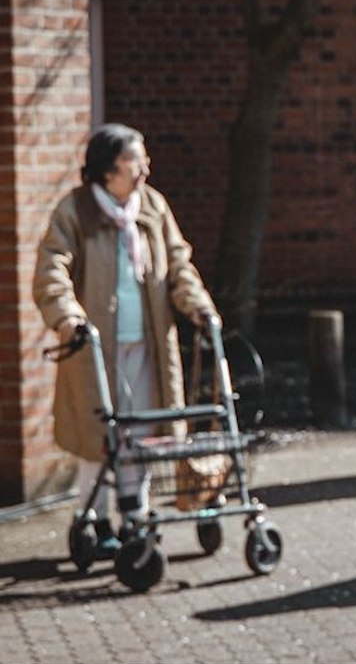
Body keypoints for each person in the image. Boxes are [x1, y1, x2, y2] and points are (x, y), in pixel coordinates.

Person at [33, 123, 218, 559]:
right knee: (99, 436)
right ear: (107, 169)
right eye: (136, 160)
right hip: (94, 348)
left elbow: (178, 265)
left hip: (150, 343)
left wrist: (197, 305)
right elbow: (51, 271)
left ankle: (136, 515)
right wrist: (68, 318)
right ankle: (92, 518)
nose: (145, 168)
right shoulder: (75, 210)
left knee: (144, 433)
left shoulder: (151, 206)